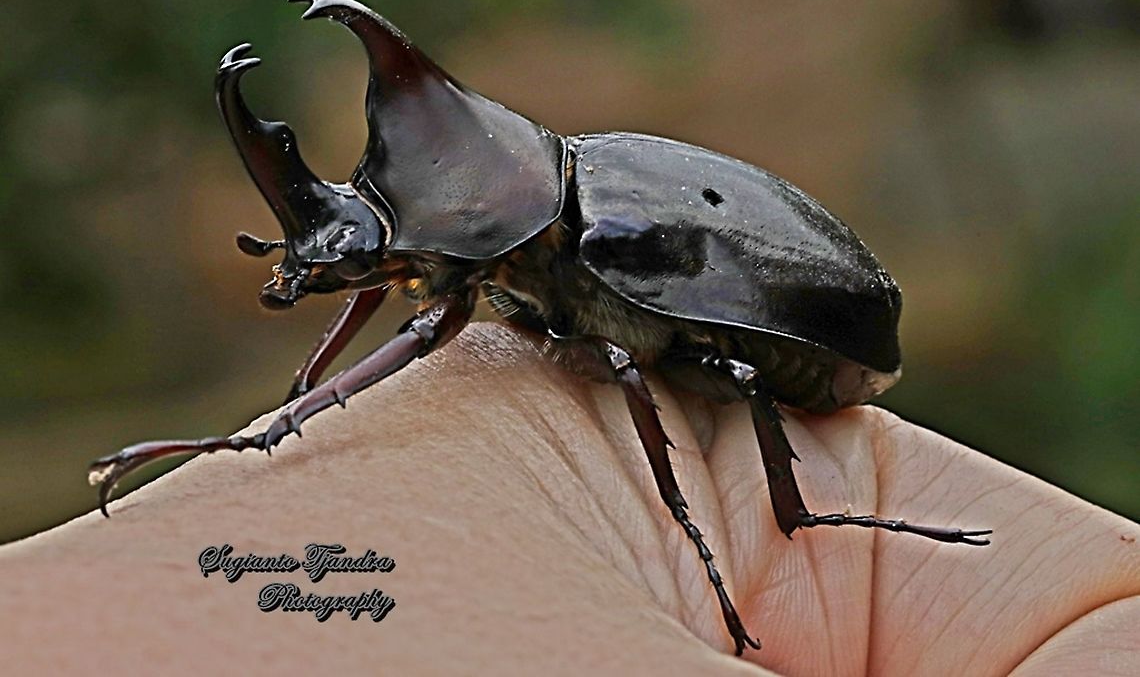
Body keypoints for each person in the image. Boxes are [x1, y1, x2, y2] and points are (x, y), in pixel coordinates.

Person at [0, 324, 1136, 674]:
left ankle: (804, 513)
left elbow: (644, 366)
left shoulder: (569, 249)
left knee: (687, 376)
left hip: (804, 345)